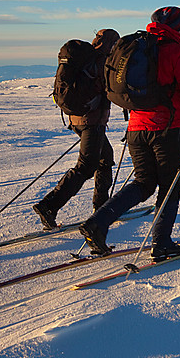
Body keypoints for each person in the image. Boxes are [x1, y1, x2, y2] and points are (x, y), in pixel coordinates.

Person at [79, 7, 180, 260]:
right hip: (168, 129)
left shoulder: (140, 46)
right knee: (169, 185)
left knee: (143, 182)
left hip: (136, 128)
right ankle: (162, 242)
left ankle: (98, 223)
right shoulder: (175, 49)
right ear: (178, 27)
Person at [33, 28, 121, 230]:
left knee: (105, 158)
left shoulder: (84, 57)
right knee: (87, 166)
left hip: (77, 118)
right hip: (92, 121)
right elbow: (110, 91)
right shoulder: (101, 62)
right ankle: (49, 205)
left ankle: (101, 207)